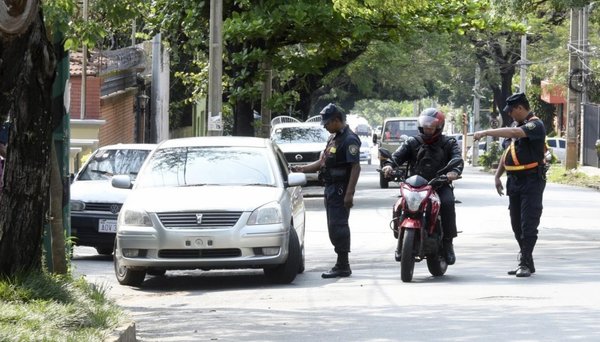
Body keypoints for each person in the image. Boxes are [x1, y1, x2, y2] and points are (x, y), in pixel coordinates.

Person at [473, 92, 546, 278]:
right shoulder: (516, 126)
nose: (511, 115)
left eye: (512, 111)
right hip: (514, 181)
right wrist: (497, 176)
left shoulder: (535, 125)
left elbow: (515, 134)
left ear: (520, 108)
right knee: (516, 225)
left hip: (531, 180)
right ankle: (527, 261)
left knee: (528, 224)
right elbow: (507, 153)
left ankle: (524, 262)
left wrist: (486, 132)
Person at [381, 108, 463, 265]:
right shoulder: (412, 142)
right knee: (400, 204)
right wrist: (389, 165)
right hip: (415, 185)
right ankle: (400, 237)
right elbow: (397, 156)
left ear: (439, 127)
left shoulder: (448, 143)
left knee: (447, 203)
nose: (428, 129)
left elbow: (457, 159)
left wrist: (454, 171)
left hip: (439, 184)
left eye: (431, 126)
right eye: (425, 126)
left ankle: (447, 243)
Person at [292, 103, 361, 278]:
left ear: (337, 120)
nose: (325, 126)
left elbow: (355, 167)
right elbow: (323, 162)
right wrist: (303, 169)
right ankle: (341, 263)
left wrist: (349, 193)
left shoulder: (349, 139)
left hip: (340, 189)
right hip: (330, 188)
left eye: (327, 123)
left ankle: (343, 264)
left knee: (339, 225)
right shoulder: (334, 138)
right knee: (332, 226)